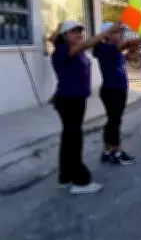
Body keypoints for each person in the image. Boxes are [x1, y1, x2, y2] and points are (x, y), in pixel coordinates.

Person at [51, 21, 121, 194]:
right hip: (70, 101)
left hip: (74, 100)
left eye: (80, 31)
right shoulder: (62, 50)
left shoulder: (78, 50)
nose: (79, 34)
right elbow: (88, 44)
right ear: (65, 35)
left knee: (69, 139)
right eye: (74, 31)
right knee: (74, 140)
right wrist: (107, 33)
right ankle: (80, 181)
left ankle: (65, 177)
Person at [93, 22, 141, 166]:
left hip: (118, 89)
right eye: (116, 32)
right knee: (114, 122)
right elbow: (125, 45)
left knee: (113, 121)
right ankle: (117, 152)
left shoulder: (114, 50)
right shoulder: (103, 47)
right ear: (106, 34)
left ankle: (107, 151)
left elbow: (132, 59)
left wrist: (133, 50)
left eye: (120, 32)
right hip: (112, 90)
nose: (120, 35)